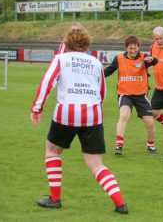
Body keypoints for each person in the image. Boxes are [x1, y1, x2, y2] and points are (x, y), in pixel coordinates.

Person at [30, 25, 128, 214]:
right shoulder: (96, 62)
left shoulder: (61, 59)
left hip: (67, 112)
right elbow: (102, 92)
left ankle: (55, 199)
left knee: (52, 151)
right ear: (87, 43)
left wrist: (37, 108)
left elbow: (46, 83)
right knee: (96, 164)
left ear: (67, 42)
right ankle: (120, 204)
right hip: (93, 114)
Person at [104, 36, 159, 156]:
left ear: (138, 47)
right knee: (124, 116)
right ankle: (119, 146)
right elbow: (108, 71)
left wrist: (152, 59)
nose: (133, 51)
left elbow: (154, 61)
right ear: (126, 48)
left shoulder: (144, 57)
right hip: (125, 94)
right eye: (130, 49)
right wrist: (96, 78)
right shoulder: (119, 58)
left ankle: (151, 146)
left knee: (149, 122)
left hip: (141, 96)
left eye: (135, 48)